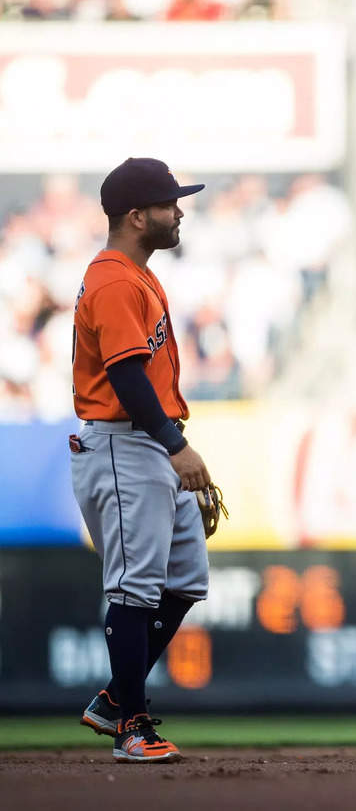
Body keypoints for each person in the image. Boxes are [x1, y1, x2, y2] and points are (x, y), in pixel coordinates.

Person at [70, 158, 213, 763]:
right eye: (168, 204)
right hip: (123, 442)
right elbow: (125, 374)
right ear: (136, 216)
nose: (179, 211)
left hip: (147, 440)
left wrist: (170, 443)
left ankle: (112, 699)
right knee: (133, 589)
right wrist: (175, 446)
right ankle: (133, 726)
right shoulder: (114, 280)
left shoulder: (136, 274)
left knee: (185, 579)